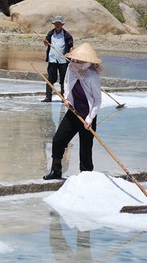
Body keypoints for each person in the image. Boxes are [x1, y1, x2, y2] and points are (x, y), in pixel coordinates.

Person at [43, 42, 102, 180]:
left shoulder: (92, 76)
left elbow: (97, 101)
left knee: (85, 148)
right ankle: (56, 170)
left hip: (87, 114)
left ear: (86, 62)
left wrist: (89, 119)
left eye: (78, 61)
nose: (74, 63)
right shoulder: (71, 68)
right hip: (73, 112)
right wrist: (66, 99)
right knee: (58, 140)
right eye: (74, 60)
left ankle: (86, 176)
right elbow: (67, 85)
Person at [42, 15, 74, 102]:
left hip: (63, 60)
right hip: (52, 59)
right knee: (51, 78)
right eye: (56, 23)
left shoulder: (67, 35)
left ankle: (64, 98)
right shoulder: (51, 33)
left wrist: (70, 54)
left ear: (62, 24)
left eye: (59, 23)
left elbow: (71, 46)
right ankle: (48, 97)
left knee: (63, 79)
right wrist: (45, 42)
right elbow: (46, 42)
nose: (57, 25)